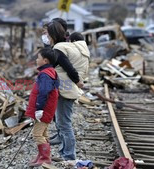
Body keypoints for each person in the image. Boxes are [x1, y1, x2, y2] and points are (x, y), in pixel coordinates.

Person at [46, 21, 90, 161]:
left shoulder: (59, 48)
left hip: (66, 90)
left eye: (47, 34)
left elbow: (69, 68)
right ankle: (65, 152)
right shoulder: (63, 46)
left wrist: (78, 82)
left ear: (52, 34)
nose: (46, 37)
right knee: (61, 122)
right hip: (65, 89)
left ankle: (69, 156)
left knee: (64, 124)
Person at [25, 48, 60, 167]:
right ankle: (42, 155)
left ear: (45, 61)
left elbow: (44, 92)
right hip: (47, 108)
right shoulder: (50, 72)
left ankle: (45, 158)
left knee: (37, 134)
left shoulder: (45, 75)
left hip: (44, 109)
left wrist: (39, 108)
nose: (36, 60)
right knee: (44, 133)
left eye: (38, 58)